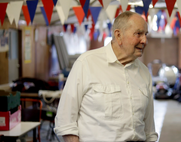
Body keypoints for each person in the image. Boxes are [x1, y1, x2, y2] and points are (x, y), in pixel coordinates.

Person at [54, 11, 158, 142]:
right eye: (138, 34)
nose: (144, 40)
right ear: (118, 35)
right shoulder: (86, 63)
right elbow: (65, 121)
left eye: (145, 34)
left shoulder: (144, 72)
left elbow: (149, 130)